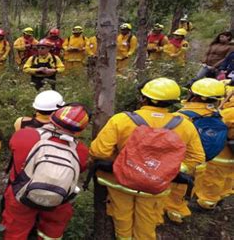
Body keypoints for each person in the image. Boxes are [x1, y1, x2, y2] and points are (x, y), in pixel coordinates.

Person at [90, 78, 204, 240]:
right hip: (156, 186)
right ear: (173, 103)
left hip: (120, 182)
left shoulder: (121, 120)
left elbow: (99, 151)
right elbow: (197, 158)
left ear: (143, 98)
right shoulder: (185, 125)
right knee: (147, 222)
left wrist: (125, 164)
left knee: (122, 218)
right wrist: (168, 170)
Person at [1, 105, 90, 240]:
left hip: (20, 194)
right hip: (57, 199)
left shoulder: (24, 135)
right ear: (80, 131)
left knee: (15, 231)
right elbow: (80, 169)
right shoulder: (82, 151)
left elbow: (15, 154)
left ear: (52, 118)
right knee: (52, 231)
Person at [164, 78, 225, 223]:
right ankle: (181, 207)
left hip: (183, 160)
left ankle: (174, 213)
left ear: (195, 95)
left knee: (176, 190)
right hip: (201, 162)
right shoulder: (217, 113)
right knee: (189, 188)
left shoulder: (182, 116)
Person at [194, 84, 234, 210]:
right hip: (231, 157)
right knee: (227, 177)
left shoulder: (229, 113)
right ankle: (221, 196)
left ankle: (207, 202)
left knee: (213, 178)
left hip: (223, 154)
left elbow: (218, 125)